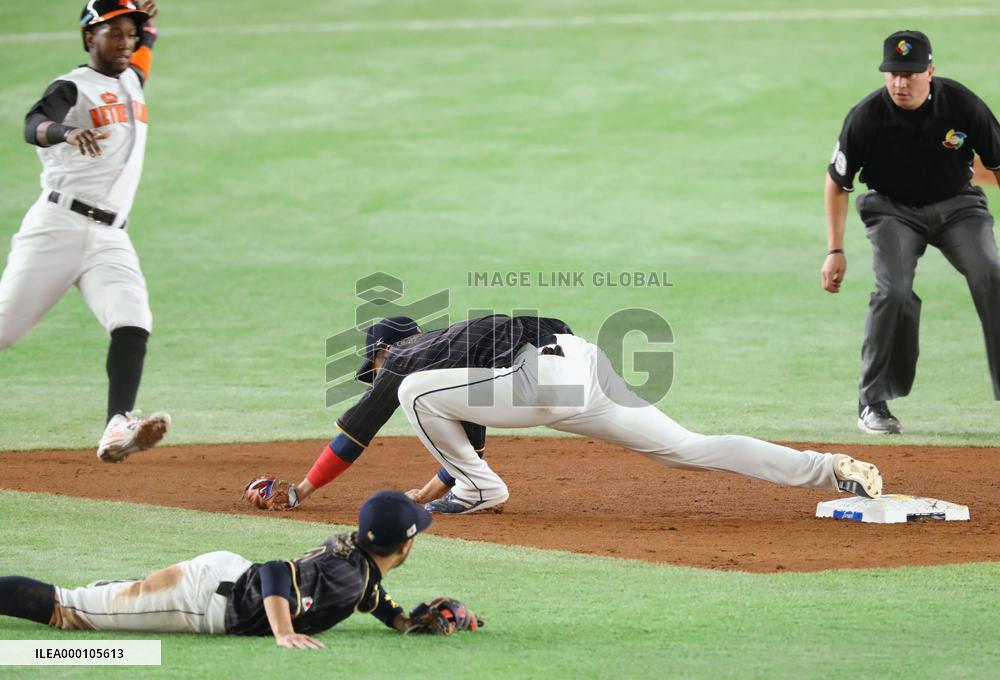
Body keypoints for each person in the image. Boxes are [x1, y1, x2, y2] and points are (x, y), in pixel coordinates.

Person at [245, 314, 883, 515]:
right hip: (578, 363)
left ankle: (479, 493)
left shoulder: (407, 359)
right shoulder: (454, 350)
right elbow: (476, 419)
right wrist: (440, 480)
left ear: (383, 349)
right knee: (690, 444)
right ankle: (829, 469)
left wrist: (301, 489)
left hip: (542, 376)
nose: (377, 375)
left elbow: (359, 426)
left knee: (411, 395)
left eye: (374, 365)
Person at [0, 0, 171, 461]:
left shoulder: (132, 78)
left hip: (110, 236)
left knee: (133, 321)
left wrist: (146, 18)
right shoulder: (72, 87)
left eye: (130, 35)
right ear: (88, 37)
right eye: (113, 33)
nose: (124, 42)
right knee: (4, 330)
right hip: (57, 226)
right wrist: (65, 133)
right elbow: (31, 124)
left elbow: (146, 41)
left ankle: (117, 426)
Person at [0, 491, 480, 647]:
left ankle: (122, 596)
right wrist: (283, 631)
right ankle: (113, 600)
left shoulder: (355, 560)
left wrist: (403, 621)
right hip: (205, 598)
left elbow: (369, 595)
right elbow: (275, 571)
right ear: (405, 545)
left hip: (222, 577)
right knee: (68, 611)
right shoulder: (346, 576)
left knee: (111, 599)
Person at [822, 30, 1000, 434]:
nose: (901, 82)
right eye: (893, 73)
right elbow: (837, 182)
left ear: (930, 72)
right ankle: (873, 403)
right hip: (892, 212)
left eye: (911, 73)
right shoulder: (866, 118)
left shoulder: (963, 105)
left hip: (959, 207)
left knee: (992, 272)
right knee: (894, 291)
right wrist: (835, 249)